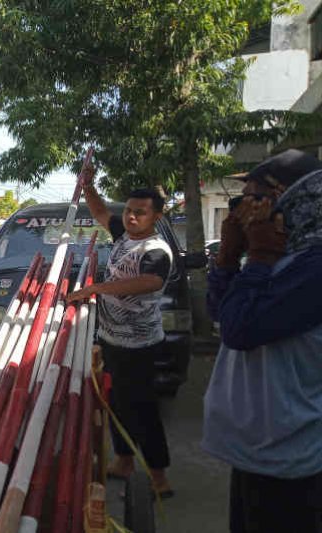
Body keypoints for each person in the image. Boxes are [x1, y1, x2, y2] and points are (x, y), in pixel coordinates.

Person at [203, 149, 322, 533]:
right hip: (258, 448)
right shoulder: (282, 258)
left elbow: (240, 330)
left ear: (288, 199)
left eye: (248, 201)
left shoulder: (313, 269)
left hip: (290, 456)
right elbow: (221, 314)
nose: (238, 212)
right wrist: (227, 258)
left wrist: (258, 256)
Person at [68, 167, 174, 496]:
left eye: (140, 213)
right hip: (112, 338)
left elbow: (150, 282)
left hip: (140, 344)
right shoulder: (124, 235)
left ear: (156, 216)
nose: (130, 217)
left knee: (142, 407)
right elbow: (100, 211)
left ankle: (159, 477)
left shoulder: (156, 250)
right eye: (128, 210)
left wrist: (98, 287)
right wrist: (88, 185)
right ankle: (124, 460)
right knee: (114, 401)